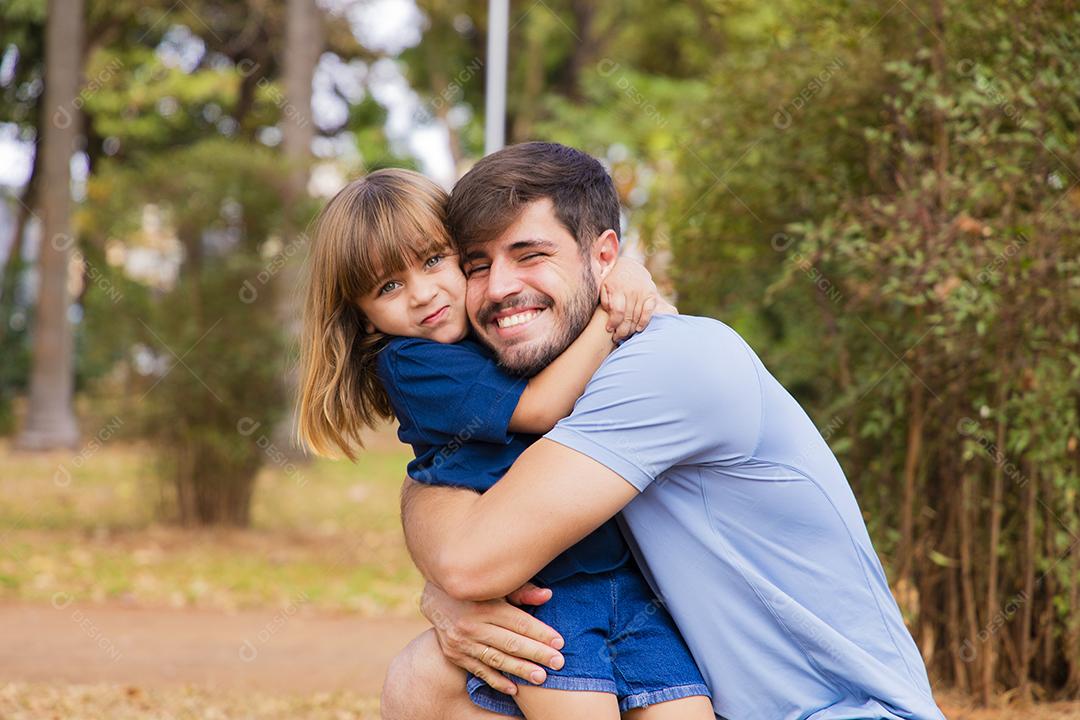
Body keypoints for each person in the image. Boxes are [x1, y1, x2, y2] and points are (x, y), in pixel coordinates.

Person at [381, 143, 948, 720]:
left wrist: (452, 584)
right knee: (429, 678)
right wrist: (448, 592)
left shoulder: (668, 363)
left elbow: (472, 559)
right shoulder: (558, 378)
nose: (500, 287)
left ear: (604, 256)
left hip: (844, 713)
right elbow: (450, 495)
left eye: (530, 255)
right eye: (478, 265)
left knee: (429, 677)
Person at [295, 168, 715, 719]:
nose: (423, 295)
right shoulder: (415, 362)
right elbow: (540, 408)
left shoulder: (499, 327)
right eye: (388, 287)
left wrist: (624, 272)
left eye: (433, 261)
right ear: (363, 315)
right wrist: (613, 314)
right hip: (543, 598)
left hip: (629, 588)